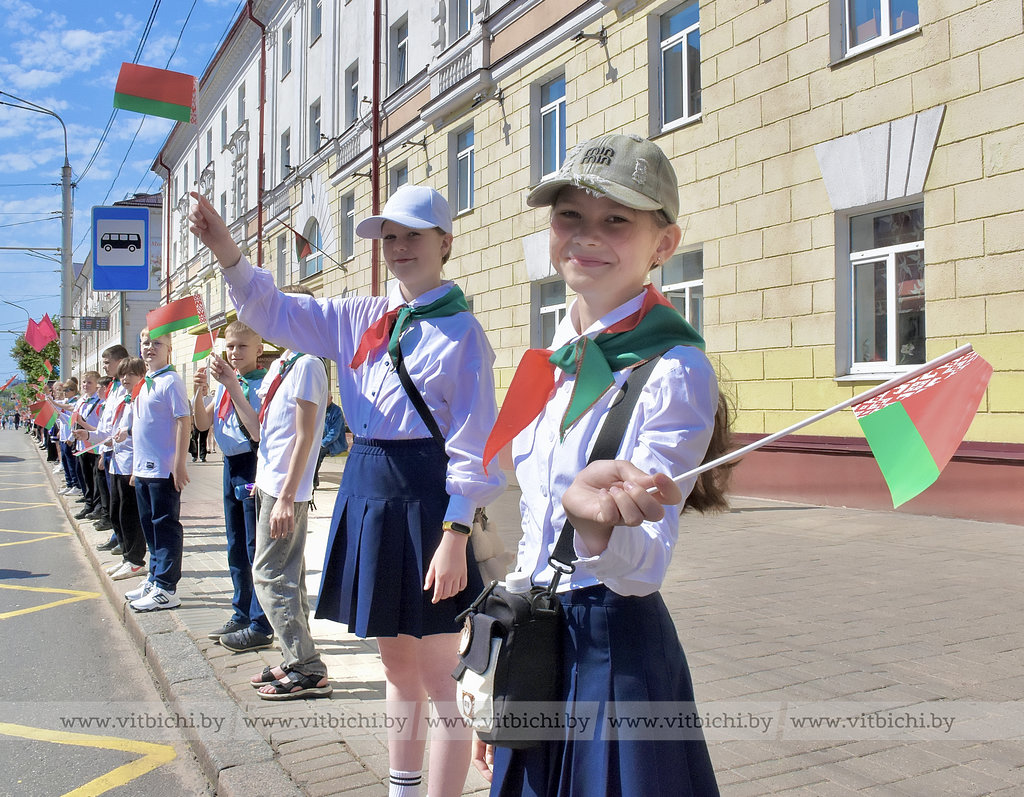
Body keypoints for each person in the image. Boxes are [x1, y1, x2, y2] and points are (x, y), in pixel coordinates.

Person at [190, 183, 506, 797]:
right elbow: (274, 311)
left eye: (413, 235)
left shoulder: (463, 332)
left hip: (429, 500)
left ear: (446, 242)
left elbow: (475, 443)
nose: (399, 247)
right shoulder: (359, 316)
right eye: (390, 237)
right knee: (396, 663)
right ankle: (401, 788)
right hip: (367, 488)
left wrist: (456, 532)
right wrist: (226, 248)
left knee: (440, 674)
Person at [473, 133, 732, 796]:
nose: (587, 235)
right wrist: (499, 671)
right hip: (537, 634)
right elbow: (533, 532)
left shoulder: (674, 370)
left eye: (616, 219)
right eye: (570, 215)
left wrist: (597, 529)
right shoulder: (556, 355)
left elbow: (644, 567)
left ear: (663, 244)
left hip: (610, 651)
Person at [192, 321, 274, 652]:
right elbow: (202, 423)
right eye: (229, 346)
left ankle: (260, 621)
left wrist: (231, 384)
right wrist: (199, 392)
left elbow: (257, 430)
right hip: (230, 466)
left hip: (252, 464)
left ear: (259, 349)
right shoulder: (230, 382)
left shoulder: (262, 383)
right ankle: (241, 612)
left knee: (255, 547)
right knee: (236, 545)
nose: (234, 352)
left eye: (242, 346)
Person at [123, 329, 191, 612]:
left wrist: (179, 464)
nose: (150, 347)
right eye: (146, 343)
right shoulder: (145, 382)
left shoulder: (171, 381)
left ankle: (166, 587)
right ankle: (154, 578)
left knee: (165, 528)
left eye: (157, 343)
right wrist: (134, 468)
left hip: (163, 470)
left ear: (169, 349)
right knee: (150, 528)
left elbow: (184, 420)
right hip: (143, 470)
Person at [99, 356, 148, 580]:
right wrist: (90, 436)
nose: (126, 378)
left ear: (141, 375)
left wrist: (137, 467)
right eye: (123, 375)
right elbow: (112, 429)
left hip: (131, 463)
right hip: (117, 461)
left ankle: (135, 559)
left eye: (131, 374)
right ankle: (127, 557)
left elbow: (143, 431)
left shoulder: (141, 397)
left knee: (130, 515)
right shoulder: (123, 397)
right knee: (117, 512)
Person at [312, 392, 348, 489]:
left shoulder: (336, 411)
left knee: (317, 454)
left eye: (325, 399)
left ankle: (312, 482)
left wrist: (322, 444)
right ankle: (312, 480)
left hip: (333, 443)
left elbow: (334, 433)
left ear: (331, 399)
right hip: (318, 441)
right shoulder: (319, 409)